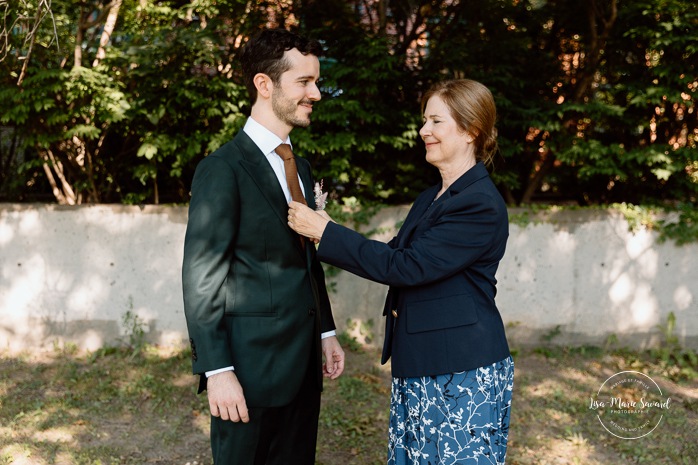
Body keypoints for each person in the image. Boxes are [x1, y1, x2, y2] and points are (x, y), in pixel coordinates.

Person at [288, 79, 514, 464]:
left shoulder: (479, 204)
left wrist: (326, 233)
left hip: (460, 371)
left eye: (436, 121)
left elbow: (406, 267)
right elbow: (396, 252)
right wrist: (327, 232)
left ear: (471, 130)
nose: (424, 131)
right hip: (424, 363)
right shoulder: (434, 196)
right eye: (424, 120)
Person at [181, 28, 345, 465]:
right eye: (304, 82)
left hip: (304, 368)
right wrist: (217, 371)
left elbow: (306, 260)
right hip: (248, 372)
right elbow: (202, 278)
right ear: (264, 84)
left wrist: (325, 331)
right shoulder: (222, 169)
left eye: (316, 81)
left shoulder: (302, 167)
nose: (317, 93)